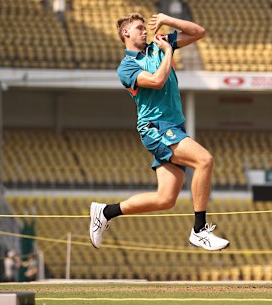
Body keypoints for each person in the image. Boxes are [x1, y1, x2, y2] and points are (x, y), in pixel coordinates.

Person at [89, 13, 229, 251]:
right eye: (139, 28)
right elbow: (156, 81)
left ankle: (106, 211)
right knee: (205, 160)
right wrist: (169, 51)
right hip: (155, 127)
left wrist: (167, 19)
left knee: (165, 199)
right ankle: (199, 230)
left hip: (173, 127)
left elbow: (198, 32)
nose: (145, 31)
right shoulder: (127, 67)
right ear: (126, 33)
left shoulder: (158, 45)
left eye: (145, 28)